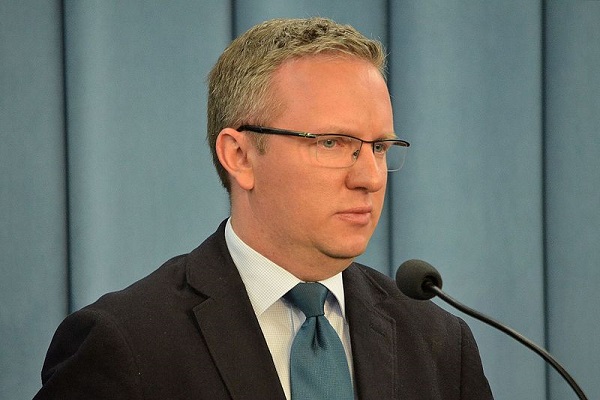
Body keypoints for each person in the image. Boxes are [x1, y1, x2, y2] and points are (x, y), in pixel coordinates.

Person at [34, 17, 493, 399]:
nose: (370, 178)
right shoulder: (126, 343)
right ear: (240, 156)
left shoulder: (438, 342)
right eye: (333, 143)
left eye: (379, 147)